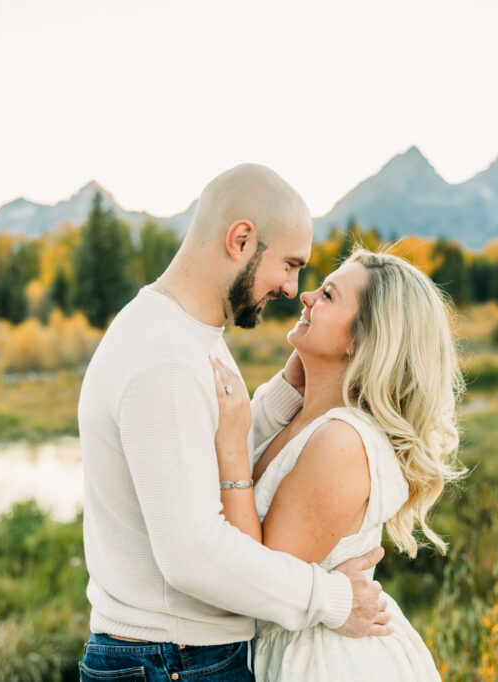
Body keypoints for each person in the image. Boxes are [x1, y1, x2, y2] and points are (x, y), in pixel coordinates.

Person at [77, 165, 390, 682]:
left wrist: (291, 392)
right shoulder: (167, 360)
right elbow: (193, 556)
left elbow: (216, 433)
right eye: (288, 265)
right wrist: (333, 600)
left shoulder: (183, 333)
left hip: (171, 658)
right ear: (241, 240)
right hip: (171, 661)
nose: (293, 289)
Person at [210, 248, 465, 681]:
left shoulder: (342, 442)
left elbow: (254, 579)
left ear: (360, 340)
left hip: (325, 664)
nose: (306, 296)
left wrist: (232, 449)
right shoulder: (305, 420)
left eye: (327, 295)